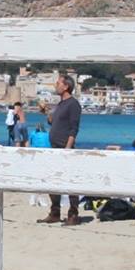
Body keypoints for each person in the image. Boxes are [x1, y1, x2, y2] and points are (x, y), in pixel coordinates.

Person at [42, 74, 83, 225]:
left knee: (70, 182)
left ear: (66, 86)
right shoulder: (61, 104)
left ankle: (73, 214)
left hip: (65, 148)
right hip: (54, 147)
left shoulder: (73, 104)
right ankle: (55, 212)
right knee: (52, 180)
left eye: (58, 83)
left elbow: (74, 129)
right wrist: (46, 112)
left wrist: (68, 148)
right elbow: (54, 122)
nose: (55, 85)